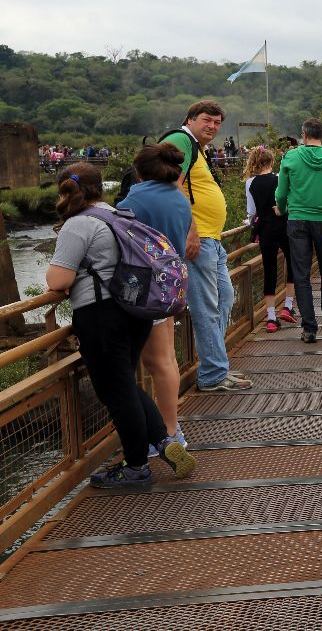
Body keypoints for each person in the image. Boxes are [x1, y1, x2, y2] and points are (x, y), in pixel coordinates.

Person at [45, 163, 197, 487]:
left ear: (65, 191)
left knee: (116, 392)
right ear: (99, 187)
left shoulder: (78, 224)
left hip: (100, 316)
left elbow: (59, 278)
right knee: (124, 385)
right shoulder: (117, 215)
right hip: (133, 311)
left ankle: (136, 466)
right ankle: (165, 441)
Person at [163, 101, 252, 391]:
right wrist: (190, 232)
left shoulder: (196, 146)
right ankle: (213, 375)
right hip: (196, 240)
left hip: (211, 239)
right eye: (206, 120)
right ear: (190, 119)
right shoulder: (180, 140)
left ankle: (216, 364)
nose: (212, 127)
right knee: (206, 306)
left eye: (217, 122)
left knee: (224, 299)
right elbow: (172, 187)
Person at [116, 143, 192, 451]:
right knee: (168, 358)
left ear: (139, 170)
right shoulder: (178, 197)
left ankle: (169, 432)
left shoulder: (135, 198)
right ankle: (169, 428)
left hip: (147, 286)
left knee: (157, 361)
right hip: (170, 283)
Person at [276, 118, 322, 343]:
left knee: (301, 274)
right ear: (321, 134)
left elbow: (281, 193)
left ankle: (308, 327)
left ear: (304, 134)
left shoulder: (291, 156)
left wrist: (284, 209)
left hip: (297, 219)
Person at [244, 147, 296, 333]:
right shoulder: (281, 179)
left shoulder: (250, 182)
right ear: (272, 163)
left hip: (265, 229)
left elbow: (251, 211)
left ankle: (271, 317)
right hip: (285, 226)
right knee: (292, 264)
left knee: (270, 270)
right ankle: (288, 306)